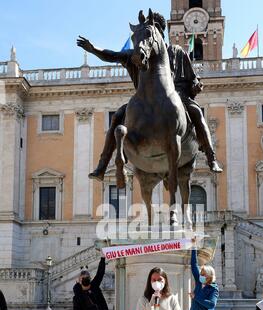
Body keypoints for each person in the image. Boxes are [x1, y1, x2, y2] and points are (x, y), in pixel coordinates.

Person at [77, 12, 222, 184]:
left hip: (178, 98)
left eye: (155, 30)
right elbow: (113, 55)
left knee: (197, 113)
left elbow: (193, 78)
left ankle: (211, 157)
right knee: (117, 117)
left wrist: (196, 84)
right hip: (144, 102)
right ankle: (102, 165)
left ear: (160, 32)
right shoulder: (138, 54)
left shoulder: (176, 52)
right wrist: (93, 49)